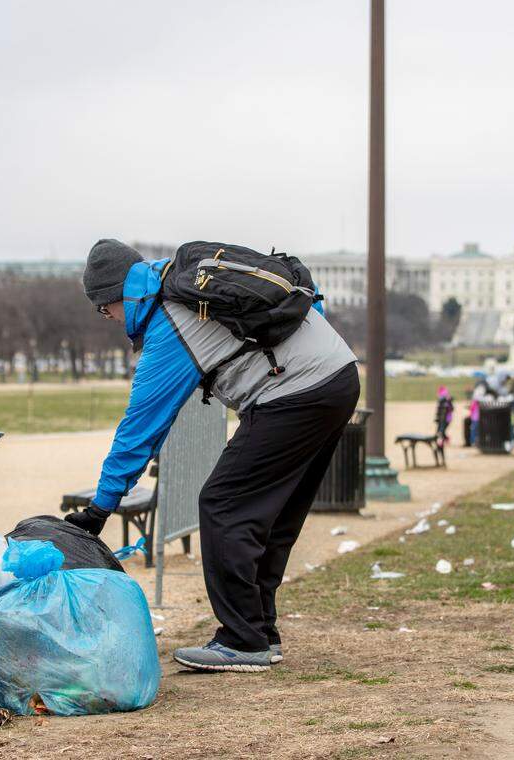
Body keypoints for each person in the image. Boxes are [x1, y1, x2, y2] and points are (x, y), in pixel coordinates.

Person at [67, 240, 358, 673]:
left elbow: (139, 430)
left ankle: (243, 639)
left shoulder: (172, 321)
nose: (106, 318)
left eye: (103, 308)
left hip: (295, 393)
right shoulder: (195, 283)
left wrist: (99, 509)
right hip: (337, 375)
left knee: (222, 503)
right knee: (271, 514)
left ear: (120, 295)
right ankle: (260, 632)